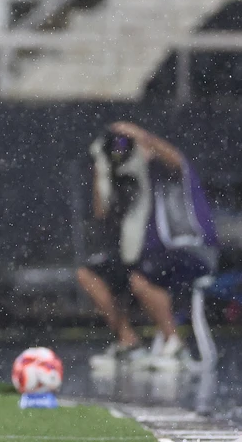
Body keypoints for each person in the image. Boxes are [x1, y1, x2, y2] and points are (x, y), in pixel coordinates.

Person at [79, 121, 218, 370]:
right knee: (90, 274)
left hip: (192, 249)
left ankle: (175, 345)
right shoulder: (136, 181)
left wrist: (141, 137)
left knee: (140, 278)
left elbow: (175, 159)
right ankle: (128, 342)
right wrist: (102, 169)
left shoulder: (175, 176)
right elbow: (101, 213)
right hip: (152, 256)